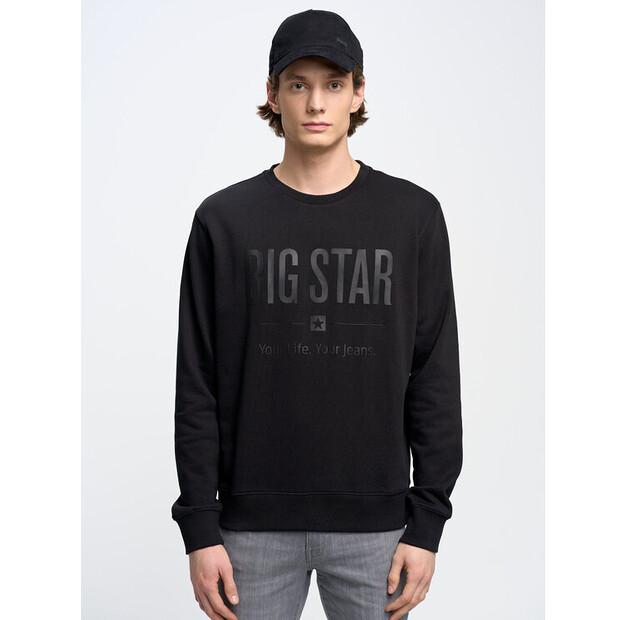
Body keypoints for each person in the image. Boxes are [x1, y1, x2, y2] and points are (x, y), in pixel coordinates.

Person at [171, 9, 463, 620]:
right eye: (298, 84)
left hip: (378, 528)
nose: (315, 103)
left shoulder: (412, 217)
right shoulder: (224, 221)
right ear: (272, 94)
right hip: (249, 528)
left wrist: (427, 522)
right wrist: (199, 526)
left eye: (333, 83)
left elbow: (434, 375)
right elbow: (197, 383)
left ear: (358, 93)